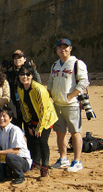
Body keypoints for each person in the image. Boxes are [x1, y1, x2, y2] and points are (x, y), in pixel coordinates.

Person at [47, 38, 90, 172]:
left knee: (75, 132)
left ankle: (77, 161)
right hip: (57, 104)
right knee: (60, 132)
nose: (63, 50)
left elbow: (83, 82)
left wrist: (71, 96)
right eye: (60, 47)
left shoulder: (77, 64)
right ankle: (63, 159)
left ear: (70, 48)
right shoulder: (55, 65)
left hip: (72, 105)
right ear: (57, 50)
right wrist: (49, 97)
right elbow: (50, 83)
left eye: (66, 47)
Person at [18, 65, 58, 178]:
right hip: (33, 118)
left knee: (42, 141)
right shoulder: (20, 88)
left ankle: (44, 166)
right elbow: (24, 106)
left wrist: (39, 128)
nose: (24, 77)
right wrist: (29, 124)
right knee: (31, 139)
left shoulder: (39, 89)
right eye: (22, 74)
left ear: (32, 76)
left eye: (27, 74)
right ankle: (35, 162)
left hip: (46, 119)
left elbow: (44, 110)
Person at [0, 106, 32, 185]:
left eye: (4, 116)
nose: (1, 118)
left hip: (21, 160)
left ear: (10, 118)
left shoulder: (15, 130)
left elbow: (15, 151)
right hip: (5, 157)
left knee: (10, 156)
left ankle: (20, 176)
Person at [6, 50, 42, 129]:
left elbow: (39, 84)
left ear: (25, 59)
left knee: (30, 130)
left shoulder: (30, 72)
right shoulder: (11, 73)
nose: (17, 60)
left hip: (28, 105)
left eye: (19, 57)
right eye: (15, 58)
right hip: (15, 106)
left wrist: (34, 71)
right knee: (15, 130)